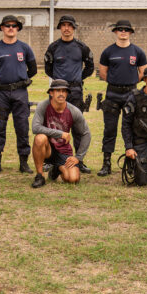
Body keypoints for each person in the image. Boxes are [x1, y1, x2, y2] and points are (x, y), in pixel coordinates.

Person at [0, 15, 37, 175]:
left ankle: (24, 163)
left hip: (20, 93)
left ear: (18, 28)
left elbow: (33, 69)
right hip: (1, 93)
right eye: (7, 25)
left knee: (22, 127)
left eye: (13, 25)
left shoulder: (25, 48)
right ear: (2, 28)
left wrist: (22, 78)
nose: (10, 28)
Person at [43, 14, 95, 174]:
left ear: (73, 28)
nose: (66, 28)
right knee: (52, 126)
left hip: (75, 91)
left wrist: (78, 78)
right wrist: (60, 83)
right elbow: (48, 69)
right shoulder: (53, 47)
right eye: (63, 25)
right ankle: (50, 161)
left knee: (78, 127)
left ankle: (79, 160)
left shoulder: (82, 47)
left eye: (69, 25)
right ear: (60, 28)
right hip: (57, 92)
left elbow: (90, 66)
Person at [97, 19, 147, 176]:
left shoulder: (138, 52)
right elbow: (103, 73)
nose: (123, 32)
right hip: (112, 94)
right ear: (115, 32)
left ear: (131, 32)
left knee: (132, 129)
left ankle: (132, 162)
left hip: (131, 94)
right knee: (109, 129)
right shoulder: (108, 52)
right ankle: (106, 163)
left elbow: (143, 73)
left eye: (126, 29)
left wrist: (130, 83)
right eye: (120, 29)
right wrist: (117, 83)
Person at [30, 79, 92, 188]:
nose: (61, 94)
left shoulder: (73, 111)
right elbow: (35, 128)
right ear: (51, 93)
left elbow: (86, 133)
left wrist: (78, 157)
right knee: (40, 138)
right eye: (58, 91)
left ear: (67, 94)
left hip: (63, 150)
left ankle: (56, 170)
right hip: (47, 149)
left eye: (64, 91)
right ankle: (40, 176)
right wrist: (60, 133)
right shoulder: (43, 106)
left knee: (73, 179)